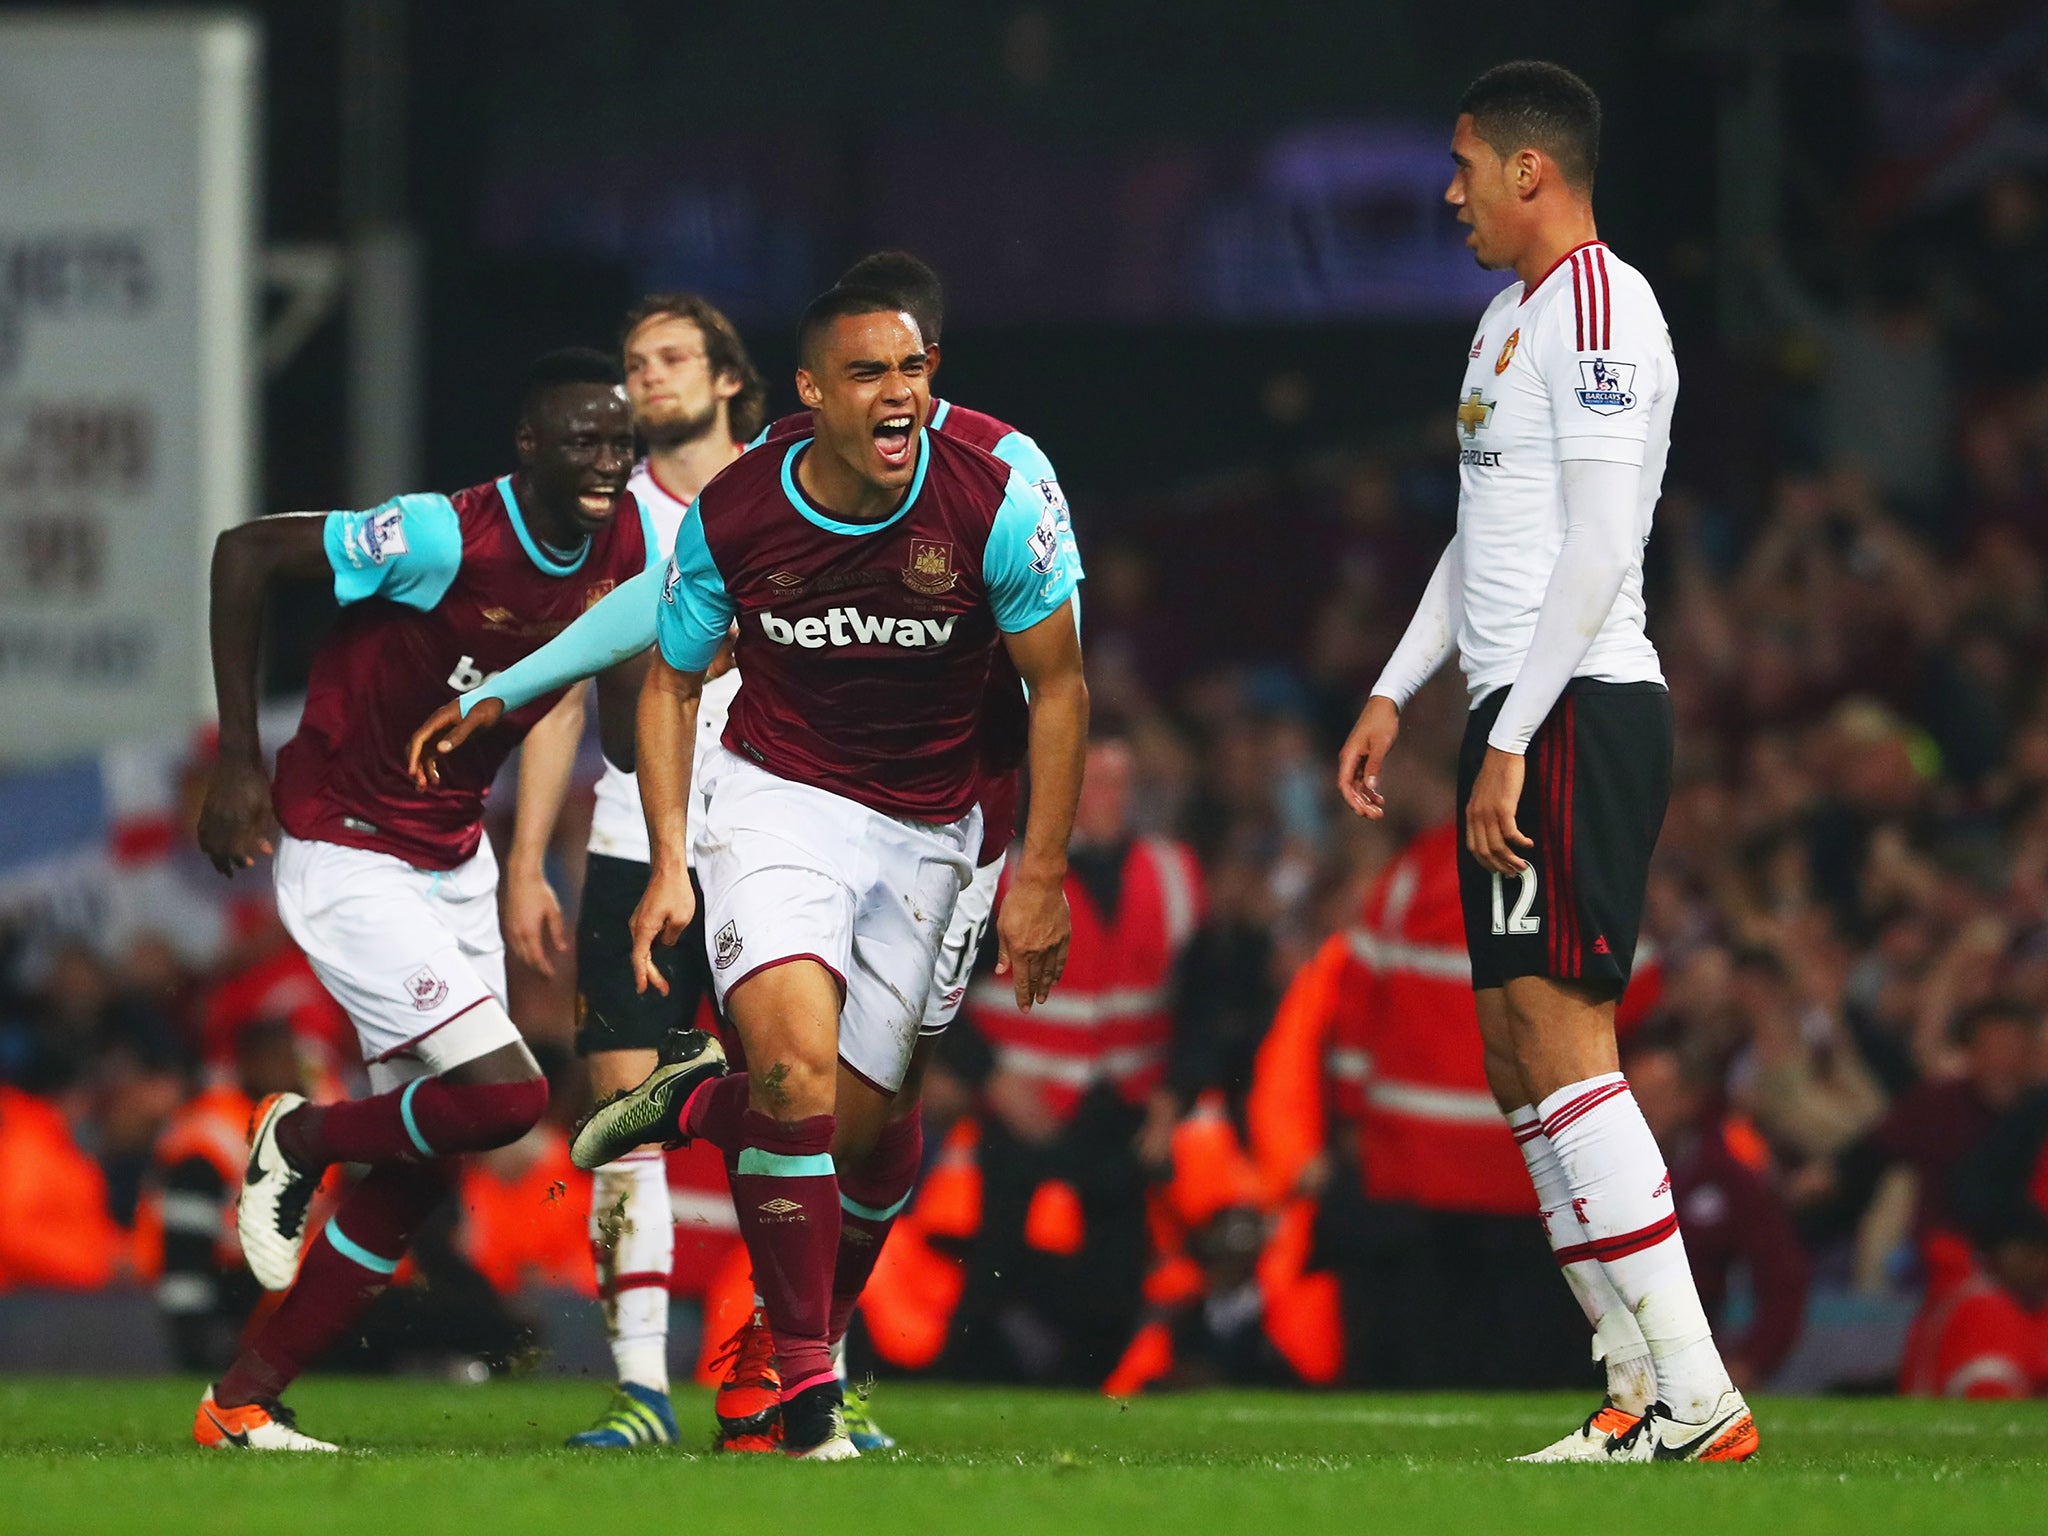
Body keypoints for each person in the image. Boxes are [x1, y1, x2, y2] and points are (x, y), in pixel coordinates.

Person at [407, 250, 1076, 1452]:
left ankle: (700, 1104)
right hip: (780, 799)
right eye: (866, 370)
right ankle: (793, 1384)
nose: (896, 394)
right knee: (799, 1088)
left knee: (862, 1125)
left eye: (911, 366)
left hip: (950, 819)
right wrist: (534, 710)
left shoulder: (1005, 480)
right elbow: (658, 634)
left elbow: (1060, 681)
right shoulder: (751, 496)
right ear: (809, 388)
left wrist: (1035, 869)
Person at [1334, 61, 1755, 1462]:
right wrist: (1399, 689)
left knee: (1568, 1044)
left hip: (1576, 708)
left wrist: (1509, 734)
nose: (1448, 190)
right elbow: (1490, 539)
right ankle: (1637, 1389)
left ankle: (1694, 1392)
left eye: (1464, 163)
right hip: (1518, 713)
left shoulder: (1601, 308)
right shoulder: (1504, 320)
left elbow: (1598, 545)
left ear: (1531, 170)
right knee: (1516, 1056)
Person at [189, 349, 656, 1451]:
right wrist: (238, 761)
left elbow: (629, 733)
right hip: (344, 844)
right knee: (501, 1101)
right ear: (529, 449)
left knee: (421, 1167)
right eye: (583, 441)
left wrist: (685, 651)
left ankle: (240, 1403)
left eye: (620, 442)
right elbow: (244, 553)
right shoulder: (444, 534)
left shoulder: (632, 541)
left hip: (453, 856)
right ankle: (299, 1136)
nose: (607, 462)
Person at [499, 294, 764, 1450]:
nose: (646, 379)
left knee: (797, 1109)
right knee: (620, 1121)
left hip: (774, 839)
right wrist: (525, 862)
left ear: (727, 381)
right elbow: (561, 689)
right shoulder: (609, 525)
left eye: (670, 360)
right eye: (632, 364)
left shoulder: (794, 493)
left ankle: (808, 1374)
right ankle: (641, 1391)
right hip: (623, 841)